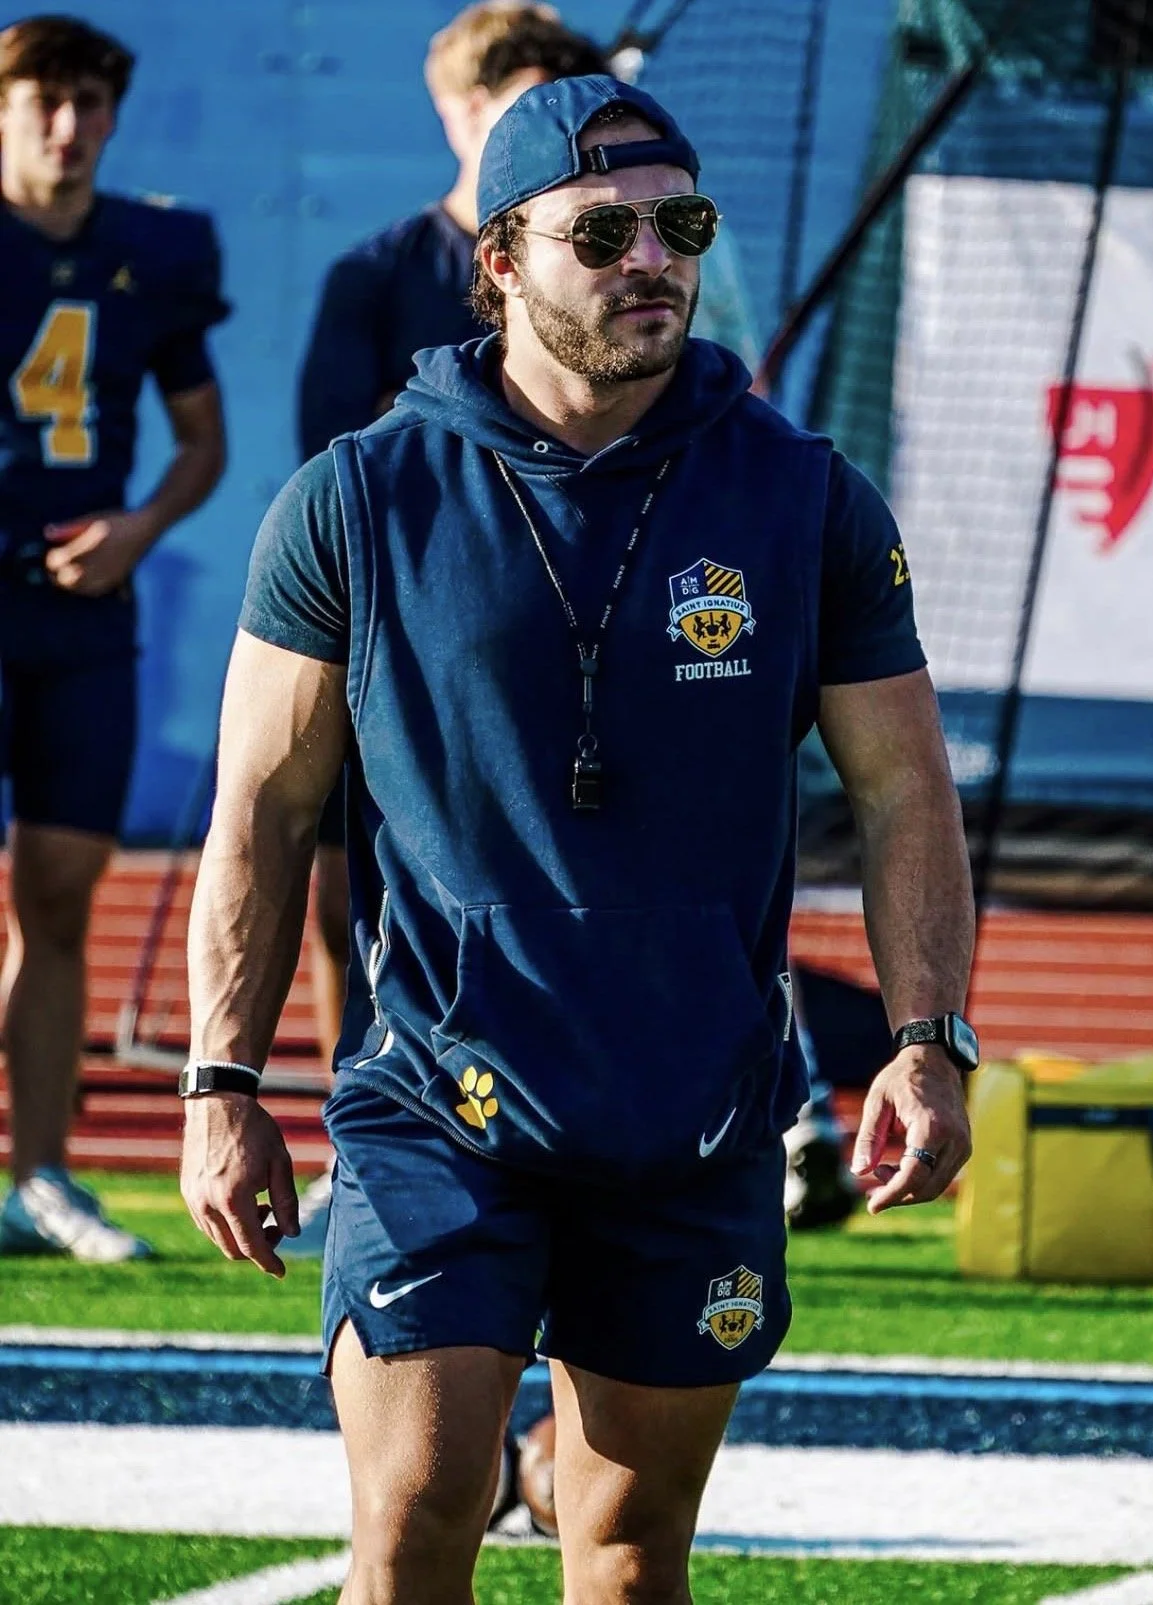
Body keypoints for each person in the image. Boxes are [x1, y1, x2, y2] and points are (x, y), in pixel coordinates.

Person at [181, 75, 976, 1605]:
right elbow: (263, 814)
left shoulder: (802, 498)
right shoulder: (355, 500)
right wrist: (223, 1080)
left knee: (622, 1558)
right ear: (501, 260)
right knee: (417, 1513)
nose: (651, 259)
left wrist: (929, 1036)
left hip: (693, 1109)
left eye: (679, 225)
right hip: (437, 1101)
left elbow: (903, 788)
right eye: (602, 230)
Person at [288, 4, 607, 1259]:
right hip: (401, 645)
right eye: (520, 101)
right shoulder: (376, 273)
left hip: (571, 646)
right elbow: (331, 460)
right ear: (461, 109)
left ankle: (591, 1145)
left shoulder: (613, 259)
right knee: (343, 896)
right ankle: (355, 1136)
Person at [0, 14, 228, 1261]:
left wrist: (138, 530)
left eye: (89, 102)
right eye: (43, 100)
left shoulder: (153, 249)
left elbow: (203, 440)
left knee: (60, 897)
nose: (68, 127)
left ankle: (41, 1175)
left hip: (85, 607)